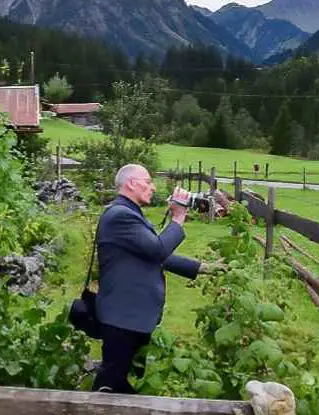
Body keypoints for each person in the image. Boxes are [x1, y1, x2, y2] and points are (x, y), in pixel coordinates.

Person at [92, 164, 223, 394]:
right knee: (111, 385)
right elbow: (158, 250)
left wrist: (205, 268)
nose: (153, 187)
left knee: (126, 382)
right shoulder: (121, 216)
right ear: (131, 183)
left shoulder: (128, 213)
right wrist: (178, 217)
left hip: (132, 317)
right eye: (148, 181)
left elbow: (154, 256)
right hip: (123, 317)